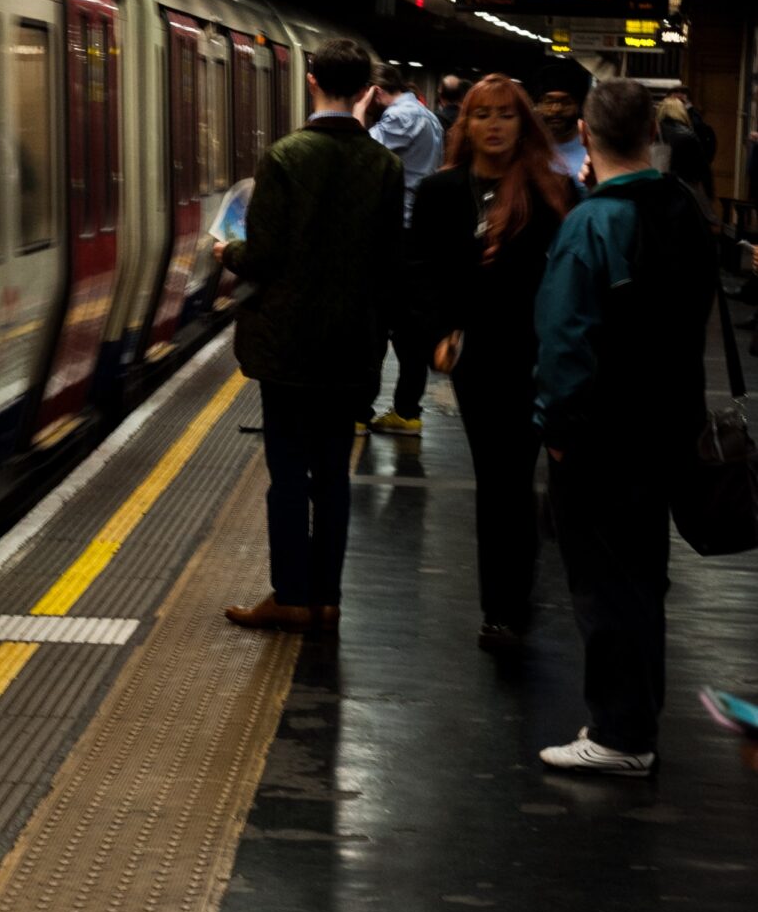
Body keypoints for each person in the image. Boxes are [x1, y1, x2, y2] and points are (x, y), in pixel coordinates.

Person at [534, 76, 718, 775]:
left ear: (583, 134)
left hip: (600, 436)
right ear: (652, 134)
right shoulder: (684, 208)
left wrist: (556, 427)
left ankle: (618, 735)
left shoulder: (591, 223)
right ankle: (633, 714)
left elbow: (562, 342)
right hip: (668, 424)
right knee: (642, 577)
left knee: (604, 583)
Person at [218, 38, 404, 636]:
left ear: (311, 79)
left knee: (288, 476)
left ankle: (290, 594)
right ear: (369, 92)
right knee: (333, 476)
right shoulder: (385, 165)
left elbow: (265, 255)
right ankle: (327, 599)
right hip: (351, 346)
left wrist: (229, 252)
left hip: (287, 349)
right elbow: (385, 263)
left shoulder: (285, 157)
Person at [412, 76, 578, 654]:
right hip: (476, 361)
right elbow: (423, 271)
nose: (495, 125)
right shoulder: (440, 193)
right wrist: (437, 334)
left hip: (537, 358)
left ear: (522, 122)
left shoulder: (553, 192)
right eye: (483, 115)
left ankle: (509, 606)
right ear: (469, 124)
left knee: (513, 480)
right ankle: (501, 608)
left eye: (507, 115)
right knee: (499, 481)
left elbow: (569, 278)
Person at [356, 64, 442, 432]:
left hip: (398, 238)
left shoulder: (401, 118)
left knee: (376, 329)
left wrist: (358, 113)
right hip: (416, 236)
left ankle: (361, 412)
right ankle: (407, 412)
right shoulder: (424, 115)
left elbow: (358, 152)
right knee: (410, 334)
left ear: (375, 91)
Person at [534, 63, 590, 184]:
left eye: (566, 102)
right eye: (549, 102)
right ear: (537, 106)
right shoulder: (525, 146)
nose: (556, 109)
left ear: (579, 107)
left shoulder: (593, 150)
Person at [656, 93, 713, 202]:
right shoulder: (688, 135)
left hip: (658, 189)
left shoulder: (653, 132)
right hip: (683, 191)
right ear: (681, 112)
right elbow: (703, 168)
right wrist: (708, 195)